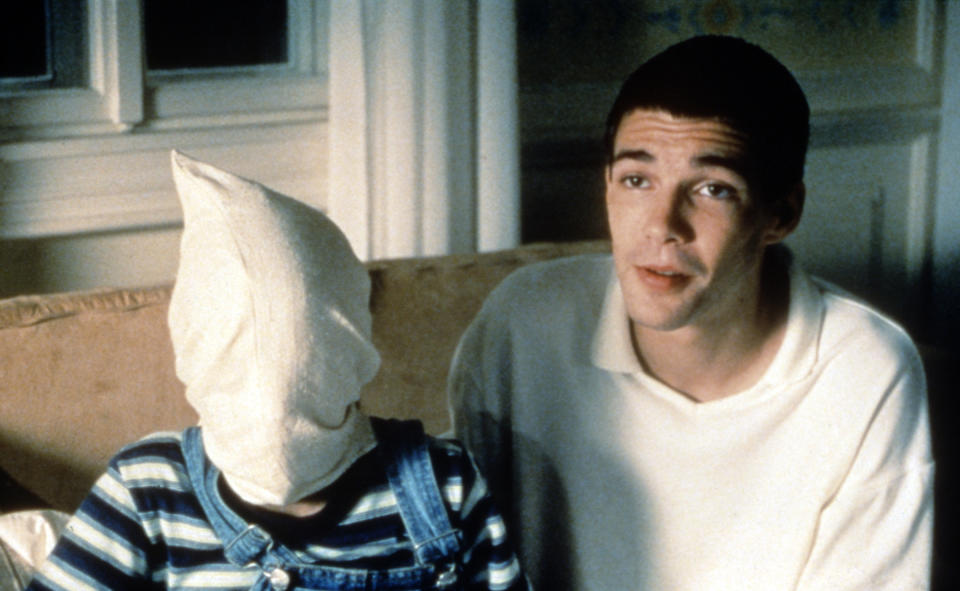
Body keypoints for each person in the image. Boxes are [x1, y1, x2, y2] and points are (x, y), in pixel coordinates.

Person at [448, 35, 933, 590]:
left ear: (781, 214)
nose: (662, 224)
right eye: (637, 180)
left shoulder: (864, 368)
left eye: (712, 189)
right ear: (607, 185)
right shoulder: (524, 320)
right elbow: (457, 556)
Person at [27, 151, 529, 591]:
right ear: (194, 365)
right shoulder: (146, 488)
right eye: (235, 379)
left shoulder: (446, 484)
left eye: (309, 378)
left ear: (355, 357)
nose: (273, 412)